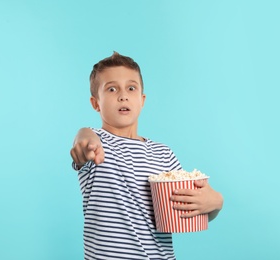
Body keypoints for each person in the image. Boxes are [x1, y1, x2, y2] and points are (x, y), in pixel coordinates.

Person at [70, 52, 223, 259]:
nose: (123, 95)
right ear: (96, 103)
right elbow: (83, 140)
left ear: (142, 100)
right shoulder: (96, 145)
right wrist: (84, 140)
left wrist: (215, 203)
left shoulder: (163, 154)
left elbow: (189, 208)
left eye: (131, 88)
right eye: (112, 89)